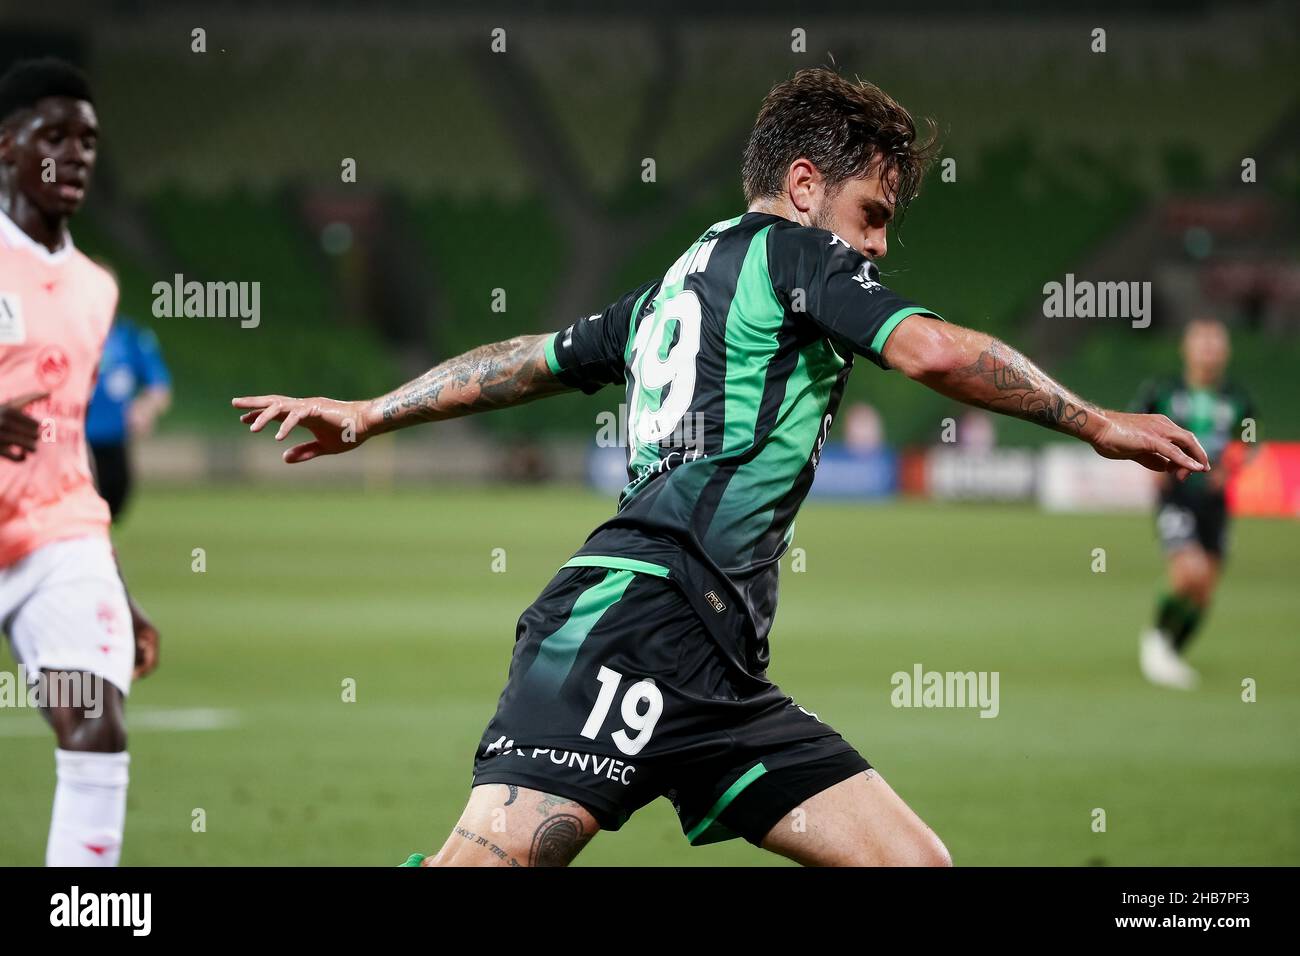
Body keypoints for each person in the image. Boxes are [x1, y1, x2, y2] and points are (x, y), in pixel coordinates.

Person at [234, 67, 1207, 867]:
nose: (874, 244)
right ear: (800, 187)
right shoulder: (795, 256)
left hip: (719, 664)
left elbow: (529, 359)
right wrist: (1093, 421)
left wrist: (373, 410)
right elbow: (932, 352)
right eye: (869, 213)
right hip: (635, 618)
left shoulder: (675, 284)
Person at [0, 57, 160, 866]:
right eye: (54, 135)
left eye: (89, 139)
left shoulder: (96, 288)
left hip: (56, 537)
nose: (77, 154)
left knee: (95, 725)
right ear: (6, 145)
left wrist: (117, 588)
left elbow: (70, 446)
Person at [1133, 318, 1255, 689]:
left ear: (1226, 351)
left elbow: (1250, 439)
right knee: (1189, 571)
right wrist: (1147, 462)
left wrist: (1230, 467)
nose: (1209, 349)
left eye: (1216, 342)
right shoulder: (1164, 390)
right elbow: (1137, 423)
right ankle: (1156, 641)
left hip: (1215, 503)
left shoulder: (1237, 399)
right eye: (1202, 341)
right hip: (1177, 495)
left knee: (1205, 589)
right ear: (1186, 348)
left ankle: (1172, 651)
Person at [86, 314, 172, 520]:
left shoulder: (132, 338)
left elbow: (160, 387)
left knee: (114, 507)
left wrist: (146, 408)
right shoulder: (70, 335)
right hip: (78, 444)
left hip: (116, 442)